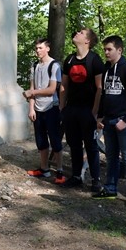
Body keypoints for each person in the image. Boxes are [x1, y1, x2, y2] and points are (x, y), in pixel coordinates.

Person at [92, 35, 126, 207]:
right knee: (111, 157)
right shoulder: (107, 69)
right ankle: (110, 188)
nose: (106, 52)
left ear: (119, 50)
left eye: (109, 49)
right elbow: (105, 95)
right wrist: (101, 117)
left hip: (125, 121)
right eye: (105, 49)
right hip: (109, 120)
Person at [60, 28, 106, 191]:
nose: (77, 33)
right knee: (73, 144)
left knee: (91, 145)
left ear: (87, 41)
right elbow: (64, 85)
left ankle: (96, 181)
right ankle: (76, 176)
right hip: (71, 109)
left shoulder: (95, 60)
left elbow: (100, 88)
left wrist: (95, 113)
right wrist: (62, 108)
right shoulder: (70, 59)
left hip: (88, 111)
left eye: (81, 33)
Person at [23, 38, 66, 184]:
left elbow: (52, 90)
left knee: (55, 139)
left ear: (48, 48)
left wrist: (32, 93)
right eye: (36, 48)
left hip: (51, 108)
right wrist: (31, 108)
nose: (38, 51)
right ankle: (44, 169)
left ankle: (60, 171)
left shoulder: (54, 65)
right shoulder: (35, 65)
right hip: (37, 109)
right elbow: (32, 88)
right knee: (40, 140)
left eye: (40, 48)